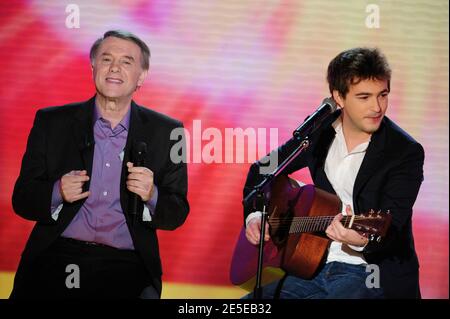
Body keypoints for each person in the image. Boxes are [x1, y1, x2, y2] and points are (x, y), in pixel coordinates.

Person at [10, 30, 189, 299]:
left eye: (127, 61)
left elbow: (177, 212)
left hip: (126, 263)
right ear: (93, 66)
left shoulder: (168, 132)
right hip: (57, 255)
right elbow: (22, 199)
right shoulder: (52, 122)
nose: (114, 67)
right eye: (106, 59)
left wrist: (152, 195)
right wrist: (57, 191)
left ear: (141, 76)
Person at [243, 47, 424, 299]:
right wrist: (254, 215)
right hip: (311, 265)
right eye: (364, 97)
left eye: (382, 95)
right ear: (338, 97)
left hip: (369, 273)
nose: (377, 107)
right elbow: (262, 170)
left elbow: (393, 227)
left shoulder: (405, 152)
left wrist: (362, 240)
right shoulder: (317, 132)